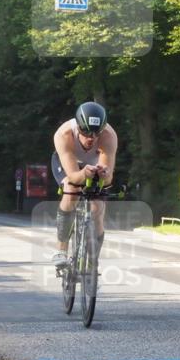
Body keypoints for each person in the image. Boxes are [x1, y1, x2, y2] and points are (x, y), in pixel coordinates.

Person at [51, 101, 118, 269]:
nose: (91, 137)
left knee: (97, 207)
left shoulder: (109, 136)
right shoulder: (64, 134)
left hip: (95, 165)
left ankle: (92, 258)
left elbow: (108, 179)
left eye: (96, 133)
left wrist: (105, 175)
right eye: (86, 131)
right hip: (69, 163)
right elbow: (74, 176)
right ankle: (61, 248)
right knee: (71, 189)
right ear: (78, 127)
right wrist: (82, 174)